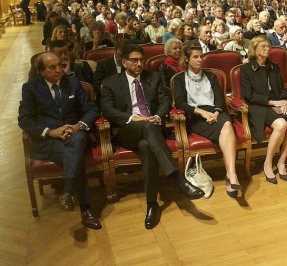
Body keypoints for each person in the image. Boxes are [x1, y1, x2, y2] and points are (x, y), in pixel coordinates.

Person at [101, 44, 205, 229]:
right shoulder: (111, 82)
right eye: (134, 60)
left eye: (141, 60)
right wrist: (134, 118)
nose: (139, 63)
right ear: (124, 62)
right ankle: (178, 179)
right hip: (127, 130)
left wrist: (157, 116)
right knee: (146, 127)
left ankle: (151, 205)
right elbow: (108, 110)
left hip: (153, 128)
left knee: (147, 146)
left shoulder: (153, 77)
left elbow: (165, 100)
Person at [18, 52, 101, 229]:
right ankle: (86, 210)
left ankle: (67, 191)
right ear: (41, 71)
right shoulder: (30, 88)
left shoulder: (72, 83)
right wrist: (51, 132)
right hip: (49, 142)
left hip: (74, 134)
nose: (59, 70)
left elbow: (92, 110)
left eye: (60, 65)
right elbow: (24, 120)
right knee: (75, 157)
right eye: (52, 67)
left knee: (78, 140)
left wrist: (78, 125)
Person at [172, 42, 241, 197]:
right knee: (226, 127)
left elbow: (218, 100)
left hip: (215, 112)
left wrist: (215, 113)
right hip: (195, 116)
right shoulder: (179, 79)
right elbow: (180, 103)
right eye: (195, 57)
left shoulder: (211, 76)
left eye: (201, 56)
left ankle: (231, 174)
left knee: (227, 123)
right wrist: (202, 113)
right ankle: (231, 176)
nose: (200, 60)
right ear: (187, 60)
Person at [240, 36, 287, 183]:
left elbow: (283, 88)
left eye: (268, 46)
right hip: (260, 105)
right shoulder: (246, 69)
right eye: (263, 46)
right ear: (254, 49)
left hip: (278, 102)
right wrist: (273, 102)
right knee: (281, 125)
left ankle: (281, 161)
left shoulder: (274, 67)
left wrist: (285, 100)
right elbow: (248, 95)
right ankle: (268, 162)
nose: (267, 49)